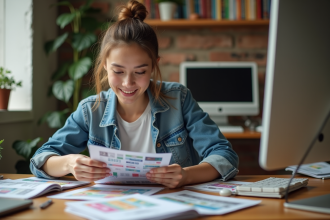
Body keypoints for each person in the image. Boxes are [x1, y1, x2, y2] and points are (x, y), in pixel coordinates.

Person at [30, 0, 239, 189]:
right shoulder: (90, 110)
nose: (128, 83)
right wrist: (69, 163)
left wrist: (185, 175)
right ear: (105, 65)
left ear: (154, 65)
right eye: (118, 71)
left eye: (140, 72)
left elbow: (224, 155)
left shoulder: (178, 98)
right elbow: (40, 159)